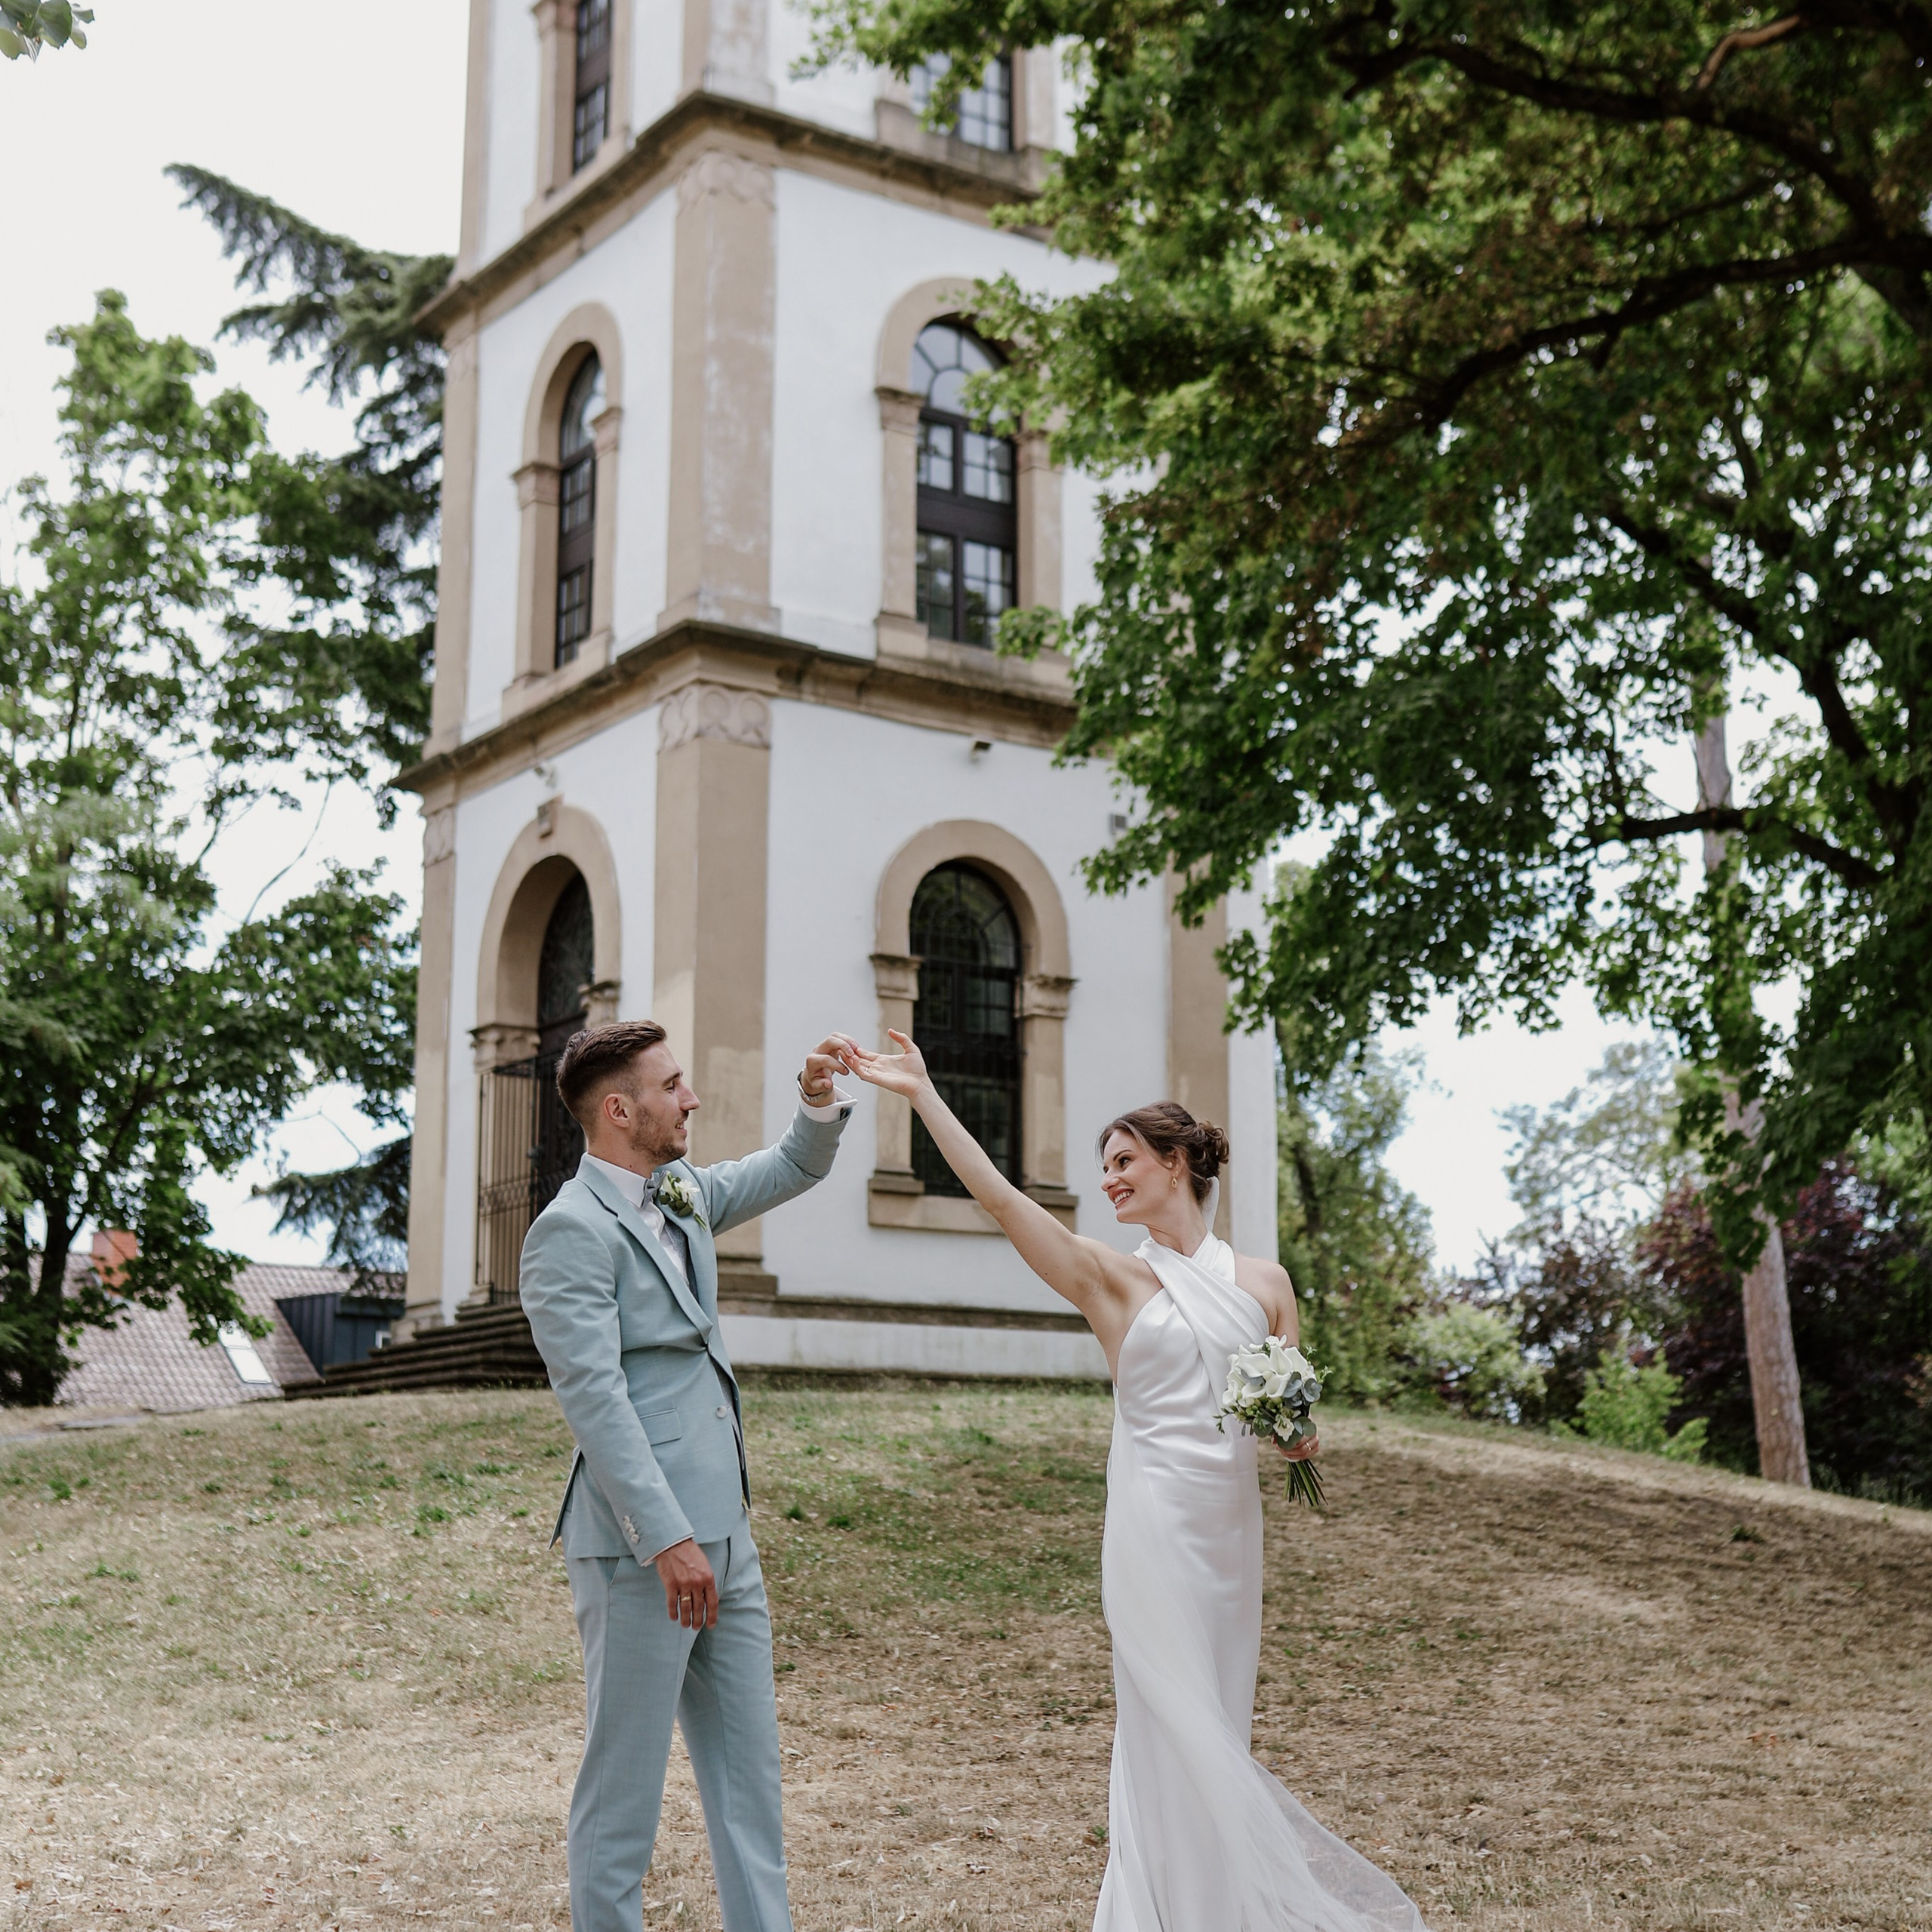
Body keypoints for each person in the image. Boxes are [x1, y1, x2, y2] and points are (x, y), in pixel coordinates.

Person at [842, 1030, 1429, 1932]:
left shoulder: (1267, 1284)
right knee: (1165, 1725)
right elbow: (999, 1198)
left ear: (1177, 1161)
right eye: (1104, 1165)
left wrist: (1298, 1438)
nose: (1109, 1179)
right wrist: (922, 1093)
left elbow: (1287, 1414)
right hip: (1153, 1529)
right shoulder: (1110, 1278)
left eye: (1124, 1161)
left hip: (1228, 1535)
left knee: (1218, 1722)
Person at [519, 1018, 858, 1932]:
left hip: (728, 1534)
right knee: (621, 1794)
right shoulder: (566, 1233)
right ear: (618, 1110)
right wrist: (668, 1540)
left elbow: (791, 1166)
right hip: (643, 1549)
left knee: (750, 1783)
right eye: (672, 1086)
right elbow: (596, 1401)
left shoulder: (683, 1192)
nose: (691, 1098)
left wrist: (815, 1099)